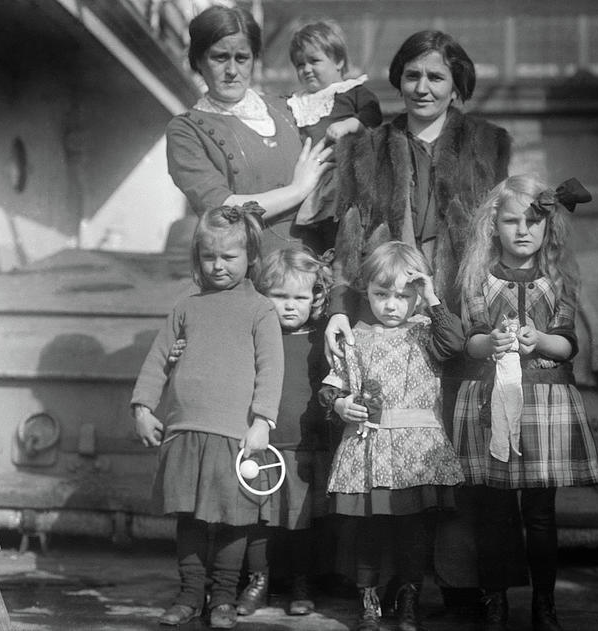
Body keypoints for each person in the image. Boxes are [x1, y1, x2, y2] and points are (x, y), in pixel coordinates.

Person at [322, 29, 518, 611]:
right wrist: (337, 310)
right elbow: (349, 232)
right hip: (387, 319)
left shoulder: (489, 143)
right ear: (398, 80)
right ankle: (384, 586)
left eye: (435, 76)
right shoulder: (366, 148)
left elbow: (500, 229)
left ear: (457, 85)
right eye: (412, 75)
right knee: (390, 449)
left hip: (461, 316)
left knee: (462, 449)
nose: (422, 87)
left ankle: (464, 584)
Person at [453, 174, 598, 631]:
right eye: (511, 221)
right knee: (494, 512)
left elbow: (568, 344)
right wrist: (490, 343)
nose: (523, 230)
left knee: (540, 514)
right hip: (489, 402)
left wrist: (539, 339)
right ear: (492, 225)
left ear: (548, 226)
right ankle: (494, 601)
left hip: (545, 402)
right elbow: (471, 340)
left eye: (533, 221)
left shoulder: (558, 277)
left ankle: (544, 604)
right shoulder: (478, 277)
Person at [130, 203, 283, 629]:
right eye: (209, 257)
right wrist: (143, 407)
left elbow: (271, 371)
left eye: (228, 257)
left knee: (234, 520)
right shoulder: (186, 305)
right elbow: (158, 358)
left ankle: (224, 599)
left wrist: (261, 423)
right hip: (184, 431)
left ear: (250, 256)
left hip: (234, 437)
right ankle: (190, 594)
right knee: (189, 518)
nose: (218, 266)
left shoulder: (261, 310)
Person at [319, 241, 466, 631]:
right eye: (382, 294)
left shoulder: (427, 333)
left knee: (412, 532)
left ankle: (409, 602)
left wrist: (432, 298)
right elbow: (332, 386)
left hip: (416, 452)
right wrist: (339, 406)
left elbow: (455, 344)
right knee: (367, 529)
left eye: (403, 296)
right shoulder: (356, 337)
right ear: (366, 290)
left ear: (417, 296)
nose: (391, 305)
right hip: (369, 448)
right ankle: (369, 603)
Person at [165, 5, 333, 255]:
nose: (232, 71)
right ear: (199, 60)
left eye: (242, 58)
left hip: (314, 265)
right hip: (251, 270)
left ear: (254, 59)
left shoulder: (289, 108)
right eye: (220, 57)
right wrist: (298, 190)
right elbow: (223, 211)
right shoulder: (186, 130)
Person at [235, 245, 335, 618]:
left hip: (306, 444)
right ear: (262, 296)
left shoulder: (322, 338)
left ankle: (301, 582)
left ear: (316, 298)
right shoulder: (255, 336)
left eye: (299, 297)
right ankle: (257, 582)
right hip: (262, 446)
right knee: (258, 520)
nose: (289, 305)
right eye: (279, 296)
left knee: (301, 521)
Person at [286, 20, 383, 255]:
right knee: (309, 239)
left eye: (314, 61)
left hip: (340, 176)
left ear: (338, 61)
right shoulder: (296, 102)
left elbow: (373, 115)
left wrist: (349, 125)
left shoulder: (351, 91)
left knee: (341, 231)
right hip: (308, 179)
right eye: (300, 64)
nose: (306, 69)